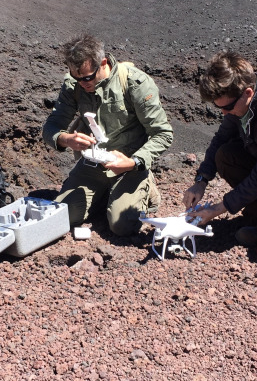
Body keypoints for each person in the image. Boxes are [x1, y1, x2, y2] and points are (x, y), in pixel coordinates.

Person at [43, 34, 173, 236]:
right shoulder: (74, 85)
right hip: (94, 161)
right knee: (62, 217)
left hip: (128, 163)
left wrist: (134, 162)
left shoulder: (134, 83)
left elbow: (162, 133)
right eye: (77, 78)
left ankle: (146, 187)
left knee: (122, 226)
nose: (82, 83)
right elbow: (52, 125)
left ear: (103, 63)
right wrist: (65, 139)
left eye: (87, 77)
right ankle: (105, 193)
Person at [183, 51, 257, 265]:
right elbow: (221, 137)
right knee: (225, 156)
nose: (224, 113)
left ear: (248, 93)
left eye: (226, 107)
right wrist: (201, 181)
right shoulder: (243, 99)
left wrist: (217, 209)